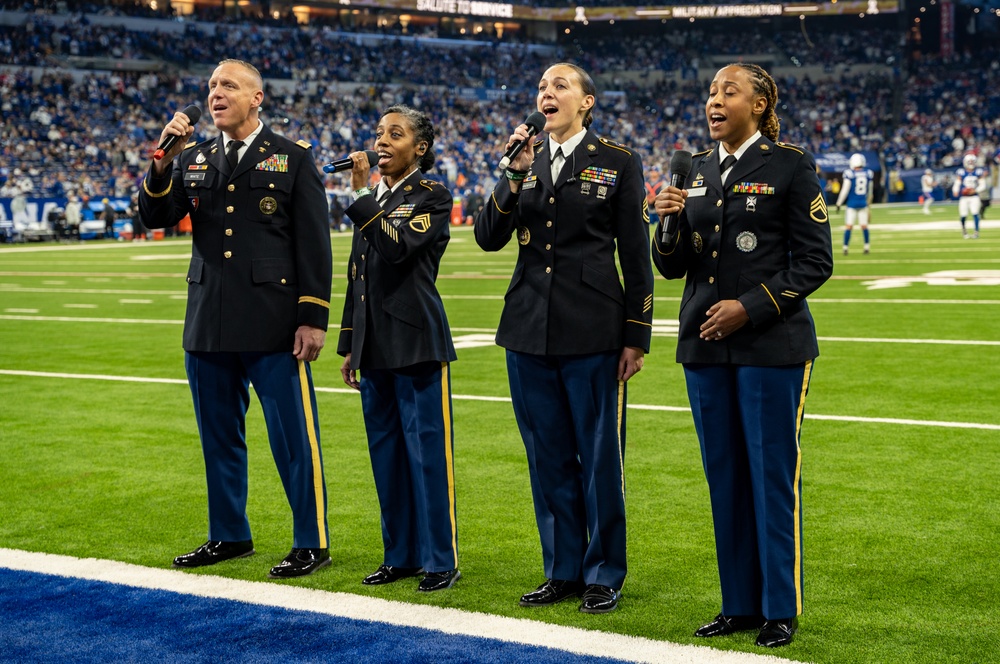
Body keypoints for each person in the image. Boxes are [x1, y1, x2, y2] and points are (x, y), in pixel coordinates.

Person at [652, 62, 833, 647]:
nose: (714, 100)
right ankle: (739, 605)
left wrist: (749, 308)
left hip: (769, 346)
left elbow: (814, 261)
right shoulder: (697, 170)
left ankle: (779, 607)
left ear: (759, 104)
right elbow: (674, 266)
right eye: (710, 91)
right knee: (724, 478)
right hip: (704, 348)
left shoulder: (789, 164)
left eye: (729, 91)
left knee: (771, 477)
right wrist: (667, 225)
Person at [138, 58, 334, 579]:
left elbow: (315, 245)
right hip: (208, 319)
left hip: (273, 322)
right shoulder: (192, 157)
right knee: (218, 437)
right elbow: (155, 215)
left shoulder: (291, 158)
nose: (215, 93)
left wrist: (312, 317)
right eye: (211, 86)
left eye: (228, 85)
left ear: (257, 98)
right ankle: (229, 534)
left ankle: (310, 540)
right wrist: (161, 162)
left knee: (293, 438)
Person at [475, 62, 653, 614]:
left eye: (560, 86)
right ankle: (563, 570)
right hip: (528, 327)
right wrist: (513, 174)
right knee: (547, 455)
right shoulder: (523, 161)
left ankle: (603, 572)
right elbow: (487, 237)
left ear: (586, 102)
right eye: (541, 88)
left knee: (599, 457)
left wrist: (637, 334)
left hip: (594, 328)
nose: (546, 94)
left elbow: (634, 253)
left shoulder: (618, 161)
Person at [337, 105, 461, 593]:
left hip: (416, 340)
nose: (381, 141)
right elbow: (358, 274)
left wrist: (365, 197)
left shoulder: (431, 195)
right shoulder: (376, 197)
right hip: (374, 344)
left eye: (395, 134)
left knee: (427, 454)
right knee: (386, 453)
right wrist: (350, 342)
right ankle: (400, 555)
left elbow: (396, 249)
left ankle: (439, 559)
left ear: (420, 148)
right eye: (378, 133)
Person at [835, 153, 874, 255]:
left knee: (848, 226)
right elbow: (870, 190)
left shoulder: (849, 173)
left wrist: (839, 203)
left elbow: (845, 190)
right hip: (863, 203)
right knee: (864, 226)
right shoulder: (868, 173)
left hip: (852, 204)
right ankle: (866, 247)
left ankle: (845, 248)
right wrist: (869, 203)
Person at [952, 153, 986, 239]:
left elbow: (983, 185)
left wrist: (975, 190)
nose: (971, 163)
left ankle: (976, 232)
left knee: (975, 213)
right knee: (963, 215)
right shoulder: (961, 172)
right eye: (969, 162)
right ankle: (964, 231)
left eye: (972, 162)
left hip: (974, 196)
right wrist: (955, 190)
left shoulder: (978, 172)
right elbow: (957, 183)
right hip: (964, 197)